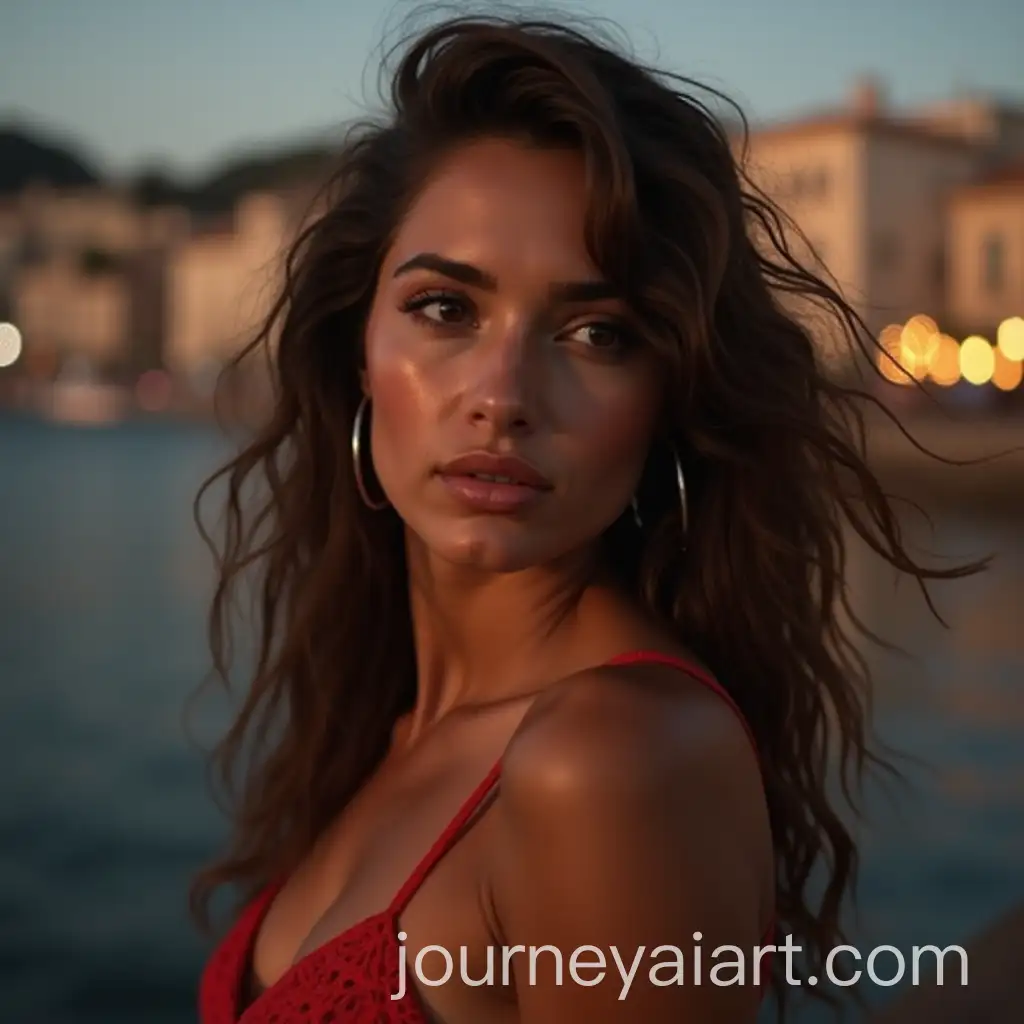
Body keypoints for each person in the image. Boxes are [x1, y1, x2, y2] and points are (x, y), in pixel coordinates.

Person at [190, 12, 977, 1024]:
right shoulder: (383, 719)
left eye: (598, 333)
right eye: (445, 308)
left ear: (668, 397)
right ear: (358, 346)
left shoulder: (611, 757)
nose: (503, 395)